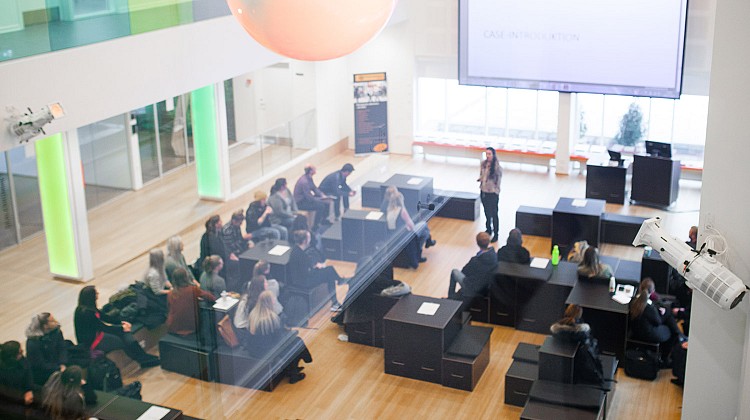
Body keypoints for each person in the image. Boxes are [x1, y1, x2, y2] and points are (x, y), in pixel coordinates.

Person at [73, 286, 159, 368]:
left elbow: (106, 318)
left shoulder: (89, 308)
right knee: (122, 341)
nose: (98, 294)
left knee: (125, 334)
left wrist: (121, 322)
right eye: (96, 293)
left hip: (97, 334)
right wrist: (122, 328)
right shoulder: (86, 313)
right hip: (93, 341)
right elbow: (103, 327)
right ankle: (143, 359)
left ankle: (143, 358)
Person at [239, 291, 312, 384]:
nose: (274, 300)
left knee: (295, 341)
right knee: (296, 343)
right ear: (269, 302)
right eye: (273, 298)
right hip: (265, 350)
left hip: (254, 348)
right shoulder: (271, 318)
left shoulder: (254, 314)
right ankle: (294, 374)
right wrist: (291, 334)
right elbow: (278, 339)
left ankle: (295, 366)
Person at [629, 279, 686, 365]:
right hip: (649, 334)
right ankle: (665, 358)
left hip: (636, 330)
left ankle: (679, 336)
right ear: (652, 291)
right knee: (670, 328)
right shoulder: (649, 308)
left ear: (640, 288)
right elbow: (658, 322)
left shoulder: (633, 301)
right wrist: (662, 312)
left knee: (668, 317)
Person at [288, 230, 345, 311]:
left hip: (303, 278)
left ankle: (336, 299)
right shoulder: (300, 255)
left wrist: (315, 267)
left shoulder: (296, 251)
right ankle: (339, 286)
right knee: (329, 272)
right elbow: (307, 273)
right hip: (304, 281)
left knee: (329, 272)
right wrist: (316, 268)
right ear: (305, 241)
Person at [167, 268, 216, 338]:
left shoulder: (170, 294)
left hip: (173, 326)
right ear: (186, 278)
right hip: (190, 327)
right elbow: (210, 297)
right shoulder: (193, 289)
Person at [383, 187, 424, 268]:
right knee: (417, 233)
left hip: (391, 234)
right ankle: (416, 260)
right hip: (402, 234)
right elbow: (411, 225)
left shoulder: (388, 209)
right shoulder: (402, 211)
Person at [448, 232, 497, 299]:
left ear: (477, 243)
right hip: (486, 289)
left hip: (473, 288)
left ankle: (450, 297)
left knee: (454, 272)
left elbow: (464, 272)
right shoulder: (495, 256)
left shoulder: (475, 260)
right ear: (489, 242)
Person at [25, 313, 68, 386]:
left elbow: (62, 347)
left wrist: (63, 363)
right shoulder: (33, 343)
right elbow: (39, 364)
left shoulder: (56, 331)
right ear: (45, 326)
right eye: (52, 321)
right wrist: (58, 368)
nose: (56, 321)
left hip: (58, 362)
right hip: (44, 371)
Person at [293, 164, 332, 229]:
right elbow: (309, 197)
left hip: (306, 199)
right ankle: (316, 225)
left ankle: (324, 219)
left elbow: (314, 188)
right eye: (314, 169)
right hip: (300, 202)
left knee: (326, 201)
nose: (315, 169)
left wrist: (322, 195)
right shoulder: (304, 182)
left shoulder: (309, 178)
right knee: (321, 206)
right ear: (310, 171)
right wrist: (320, 199)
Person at [478, 147, 502, 243]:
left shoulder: (497, 168)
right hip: (484, 191)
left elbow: (498, 182)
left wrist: (496, 192)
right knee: (487, 212)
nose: (487, 156)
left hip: (492, 193)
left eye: (489, 154)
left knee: (494, 214)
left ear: (493, 155)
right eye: (486, 154)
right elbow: (482, 175)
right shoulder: (483, 164)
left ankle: (496, 233)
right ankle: (488, 229)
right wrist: (481, 179)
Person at [0, 341, 35, 406]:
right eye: (20, 352)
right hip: (10, 401)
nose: (22, 351)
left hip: (25, 391)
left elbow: (28, 374)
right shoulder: (2, 371)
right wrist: (23, 397)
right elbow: (6, 393)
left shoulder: (22, 360)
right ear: (12, 357)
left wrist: (29, 390)